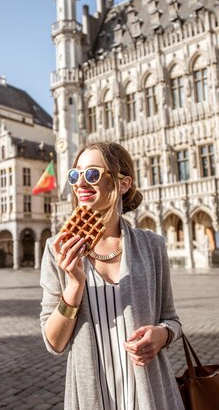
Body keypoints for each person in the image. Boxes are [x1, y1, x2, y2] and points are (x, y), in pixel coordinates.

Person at [39, 142, 184, 409]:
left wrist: (162, 335)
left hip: (148, 392)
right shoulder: (56, 249)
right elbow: (54, 343)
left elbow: (171, 320)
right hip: (92, 395)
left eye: (92, 174)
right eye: (75, 175)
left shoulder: (153, 246)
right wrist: (74, 285)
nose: (80, 183)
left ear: (123, 183)